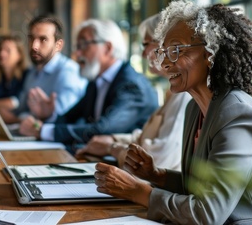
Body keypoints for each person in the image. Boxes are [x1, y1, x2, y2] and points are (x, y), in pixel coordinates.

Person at [93, 0, 252, 224]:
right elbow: (202, 188)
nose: (165, 63)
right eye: (162, 52)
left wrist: (137, 190)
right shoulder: (194, 108)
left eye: (175, 50)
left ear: (209, 54)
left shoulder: (238, 113)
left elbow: (208, 214)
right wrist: (157, 176)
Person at [19, 19, 159, 148]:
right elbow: (70, 118)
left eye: (84, 45)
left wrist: (42, 130)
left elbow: (102, 130)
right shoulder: (96, 82)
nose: (77, 53)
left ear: (108, 48)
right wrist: (48, 116)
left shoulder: (132, 86)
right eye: (76, 47)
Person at [75, 14, 191, 170]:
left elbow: (159, 160)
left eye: (146, 44)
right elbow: (145, 137)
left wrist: (113, 148)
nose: (143, 54)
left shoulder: (185, 93)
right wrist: (113, 140)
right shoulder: (174, 92)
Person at [0, 15, 87, 124]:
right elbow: (22, 108)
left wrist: (18, 120)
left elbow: (63, 121)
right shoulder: (33, 72)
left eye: (43, 39)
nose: (34, 46)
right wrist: (4, 114)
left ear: (58, 45)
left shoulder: (68, 72)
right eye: (31, 38)